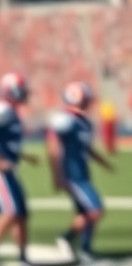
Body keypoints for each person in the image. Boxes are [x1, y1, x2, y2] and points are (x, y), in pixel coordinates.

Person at [49, 82, 114, 263]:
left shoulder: (84, 122)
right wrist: (58, 174)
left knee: (85, 213)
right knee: (95, 210)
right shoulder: (66, 120)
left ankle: (85, 249)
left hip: (82, 173)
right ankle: (67, 237)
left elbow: (86, 148)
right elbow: (53, 145)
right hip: (73, 175)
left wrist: (103, 162)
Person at [0, 72, 38, 265]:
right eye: (20, 90)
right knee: (10, 211)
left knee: (21, 213)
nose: (24, 94)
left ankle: (22, 256)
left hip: (9, 167)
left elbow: (6, 143)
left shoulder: (11, 112)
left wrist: (25, 157)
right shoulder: (1, 109)